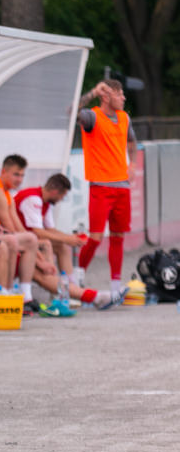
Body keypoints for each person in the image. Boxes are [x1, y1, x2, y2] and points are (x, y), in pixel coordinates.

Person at [14, 174, 120, 311]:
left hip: (25, 242)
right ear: (55, 191)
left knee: (61, 246)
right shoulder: (33, 198)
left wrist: (70, 238)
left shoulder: (44, 201)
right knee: (46, 258)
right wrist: (67, 239)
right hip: (21, 245)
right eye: (62, 196)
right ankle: (86, 295)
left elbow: (50, 230)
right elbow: (38, 232)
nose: (61, 199)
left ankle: (72, 287)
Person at [77, 79, 139, 299]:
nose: (123, 98)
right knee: (95, 237)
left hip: (121, 185)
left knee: (118, 237)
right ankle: (78, 276)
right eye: (118, 94)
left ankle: (115, 286)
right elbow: (73, 110)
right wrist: (93, 91)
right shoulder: (92, 116)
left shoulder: (124, 117)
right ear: (106, 96)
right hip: (101, 185)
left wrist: (132, 163)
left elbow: (132, 143)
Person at [0, 154, 41, 314]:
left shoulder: (7, 193)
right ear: (4, 172)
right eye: (15, 174)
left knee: (37, 242)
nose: (19, 179)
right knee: (19, 241)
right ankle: (14, 293)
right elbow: (9, 226)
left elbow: (18, 227)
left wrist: (39, 255)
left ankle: (24, 294)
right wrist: (40, 259)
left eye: (22, 175)